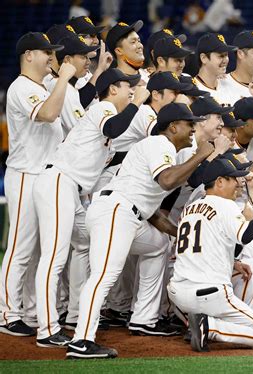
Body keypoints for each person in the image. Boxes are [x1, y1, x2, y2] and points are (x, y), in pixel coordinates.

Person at [66, 103, 214, 359]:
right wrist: (200, 155)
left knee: (158, 244)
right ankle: (81, 340)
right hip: (115, 211)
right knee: (104, 276)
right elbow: (167, 180)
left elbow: (153, 213)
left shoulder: (163, 150)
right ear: (173, 126)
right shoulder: (159, 144)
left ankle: (143, 318)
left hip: (128, 214)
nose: (193, 129)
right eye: (189, 124)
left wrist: (178, 233)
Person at [33, 69, 149, 348]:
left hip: (69, 189)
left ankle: (76, 314)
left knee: (88, 241)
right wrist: (137, 103)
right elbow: (113, 128)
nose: (132, 90)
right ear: (112, 89)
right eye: (127, 86)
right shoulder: (103, 108)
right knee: (54, 257)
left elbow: (116, 141)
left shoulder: (106, 114)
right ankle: (47, 329)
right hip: (59, 181)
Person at [0, 32, 75, 337]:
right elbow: (47, 113)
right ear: (28, 55)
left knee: (40, 250)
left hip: (45, 176)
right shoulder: (21, 87)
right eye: (45, 52)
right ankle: (7, 313)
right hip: (25, 175)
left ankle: (29, 310)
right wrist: (63, 79)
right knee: (20, 248)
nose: (51, 57)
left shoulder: (42, 85)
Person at [168, 157, 253, 352]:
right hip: (209, 295)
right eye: (233, 179)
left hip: (178, 294)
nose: (238, 184)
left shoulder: (189, 208)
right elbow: (246, 235)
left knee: (248, 267)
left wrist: (234, 261)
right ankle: (209, 327)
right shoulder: (224, 205)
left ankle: (196, 324)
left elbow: (209, 244)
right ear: (219, 182)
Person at [194, 33, 237, 107]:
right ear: (204, 58)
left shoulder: (229, 85)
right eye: (220, 56)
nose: (225, 60)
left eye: (226, 55)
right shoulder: (192, 90)